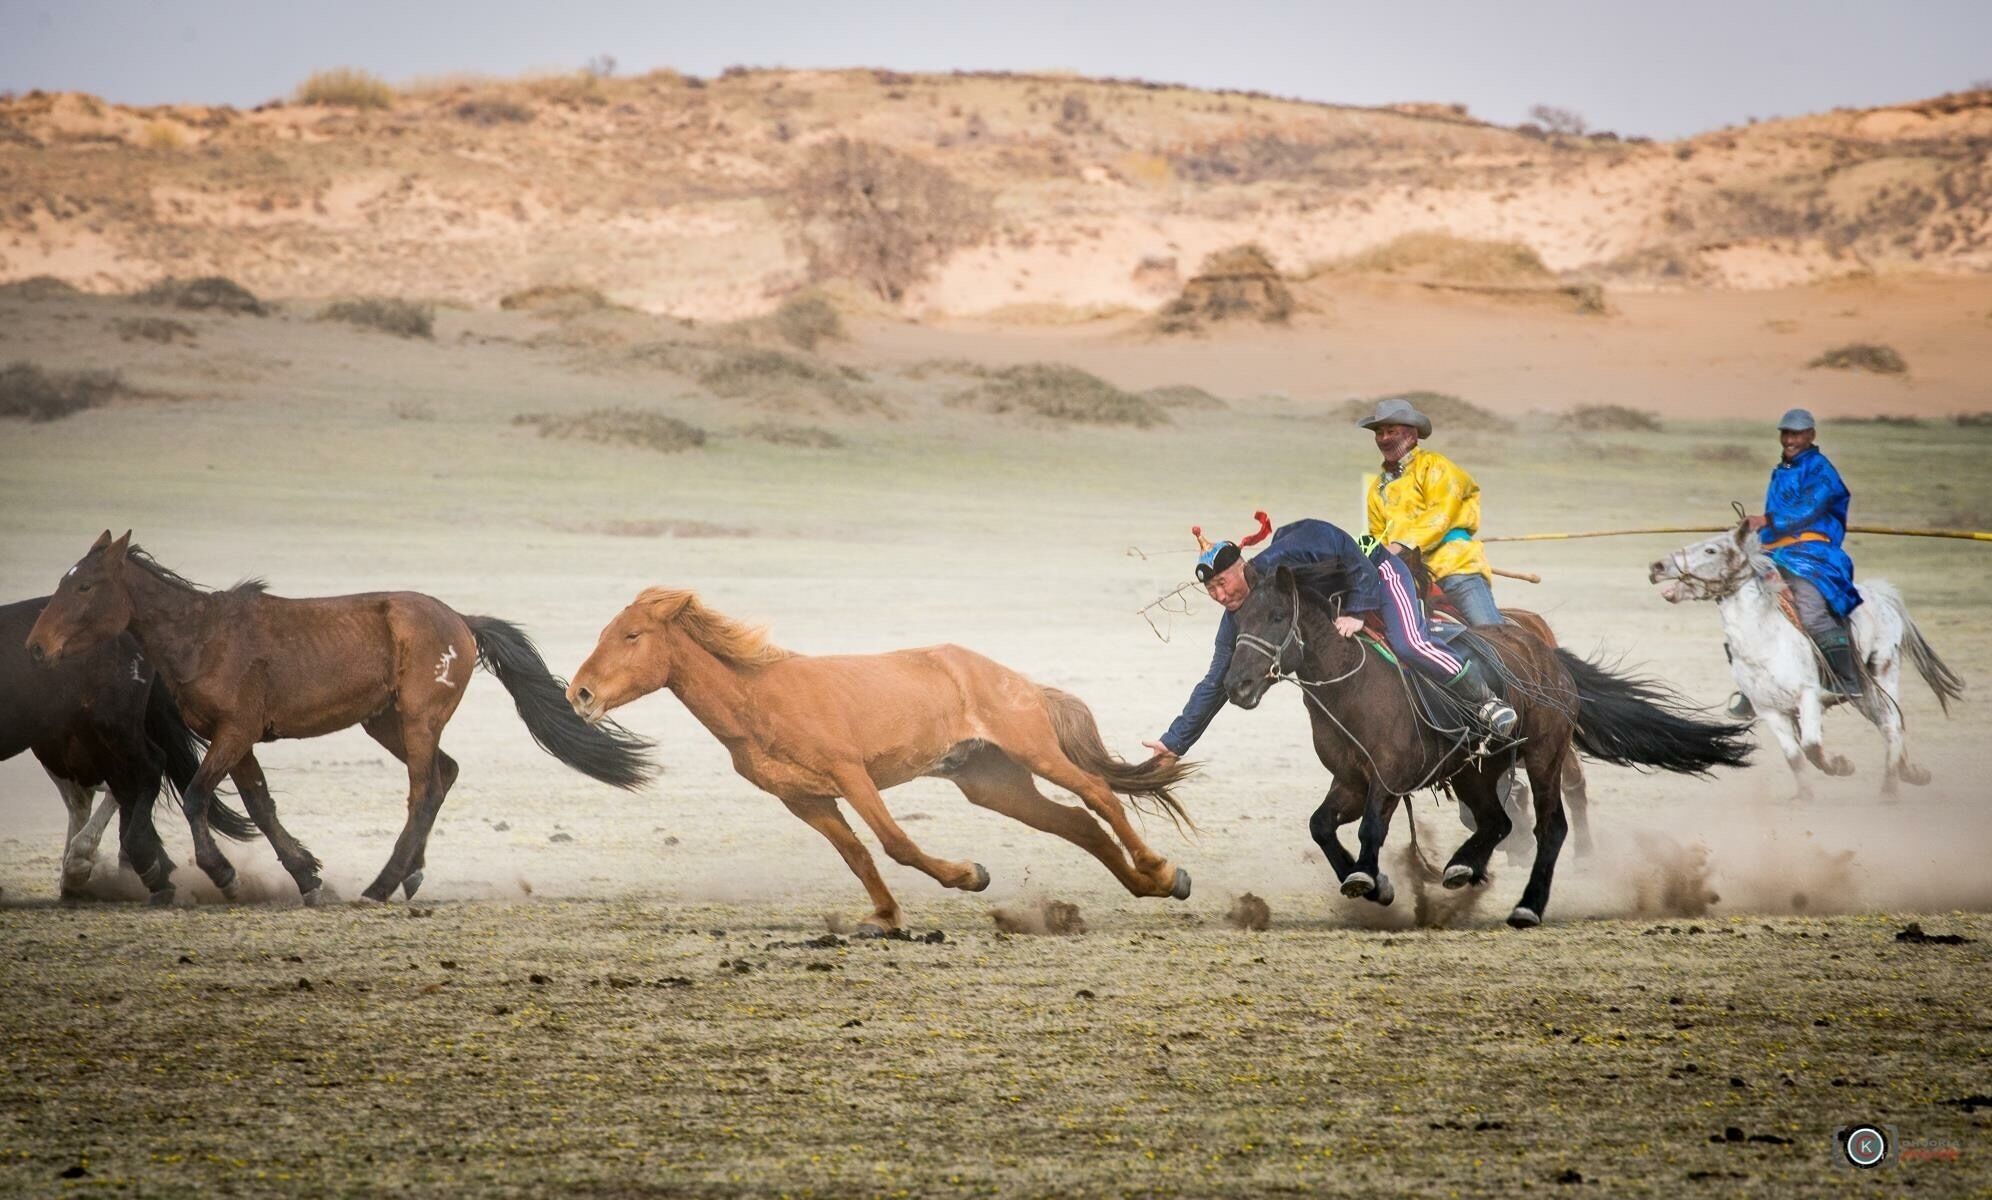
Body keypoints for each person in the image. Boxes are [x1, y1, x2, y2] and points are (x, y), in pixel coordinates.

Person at [1141, 513, 1517, 764]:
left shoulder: (1291, 550)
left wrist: (1357, 608)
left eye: (1222, 583)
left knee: (1407, 644)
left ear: (1241, 566)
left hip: (1379, 573)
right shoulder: (1241, 614)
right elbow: (1217, 680)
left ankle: (1486, 702)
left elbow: (1346, 545)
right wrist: (1175, 743)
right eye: (1211, 591)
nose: (1220, 596)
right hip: (1345, 598)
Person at [1739, 408, 1863, 712]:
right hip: (1777, 553)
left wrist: (1765, 519)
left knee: (1810, 610)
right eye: (1786, 433)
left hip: (1813, 555)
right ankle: (1750, 688)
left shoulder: (1822, 470)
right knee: (1746, 609)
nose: (1790, 439)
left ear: (1811, 435)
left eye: (1796, 434)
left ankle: (1847, 680)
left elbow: (1806, 509)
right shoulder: (1781, 470)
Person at [1358, 396, 1501, 626]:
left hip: (1454, 568)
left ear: (1411, 435)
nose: (1384, 439)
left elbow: (1440, 516)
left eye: (1391, 431)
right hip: (1408, 576)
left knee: (1491, 633)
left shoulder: (1435, 466)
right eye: (1379, 433)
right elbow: (1377, 536)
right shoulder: (1377, 488)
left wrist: (1400, 545)